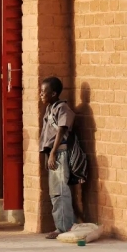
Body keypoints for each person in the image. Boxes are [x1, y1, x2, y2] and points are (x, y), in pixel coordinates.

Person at [40, 76, 76, 239]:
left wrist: (53, 153)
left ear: (54, 93)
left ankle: (64, 228)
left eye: (43, 92)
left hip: (59, 153)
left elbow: (61, 131)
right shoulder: (49, 108)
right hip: (52, 155)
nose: (41, 95)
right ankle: (61, 226)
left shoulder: (62, 108)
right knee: (55, 193)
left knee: (61, 192)